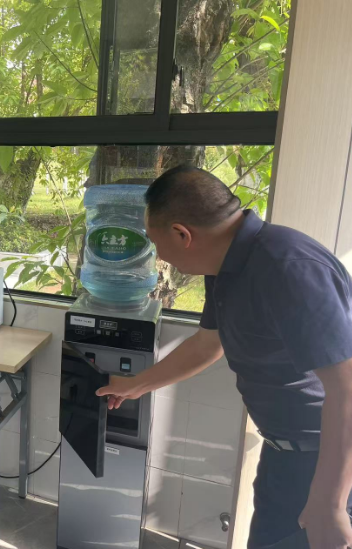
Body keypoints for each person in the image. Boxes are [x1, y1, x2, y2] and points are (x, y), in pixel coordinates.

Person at [96, 166, 352, 549]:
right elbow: (207, 344)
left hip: (329, 464)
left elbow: (347, 388)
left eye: (156, 242)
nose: (159, 256)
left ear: (182, 234)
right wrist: (137, 386)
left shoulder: (288, 268)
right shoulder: (226, 264)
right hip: (283, 453)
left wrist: (329, 503)